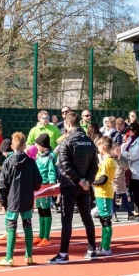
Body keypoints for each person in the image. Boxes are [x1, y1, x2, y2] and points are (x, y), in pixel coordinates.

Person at [50, 112, 99, 264]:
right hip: (83, 186)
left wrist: (79, 180)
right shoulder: (90, 142)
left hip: (70, 185)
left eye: (65, 124)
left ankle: (64, 253)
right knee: (87, 218)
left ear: (69, 124)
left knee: (67, 219)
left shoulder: (67, 141)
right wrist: (87, 181)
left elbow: (65, 165)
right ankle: (92, 249)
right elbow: (94, 165)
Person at [0, 132, 43, 266]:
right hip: (27, 198)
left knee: (11, 226)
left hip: (12, 199)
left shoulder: (7, 162)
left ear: (12, 145)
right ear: (24, 146)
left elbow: (2, 184)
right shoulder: (31, 162)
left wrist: (2, 201)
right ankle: (29, 256)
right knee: (27, 225)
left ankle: (9, 257)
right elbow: (38, 182)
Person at [92, 136, 118, 256]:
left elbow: (103, 179)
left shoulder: (107, 161)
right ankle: (103, 245)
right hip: (102, 193)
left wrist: (91, 182)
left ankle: (106, 247)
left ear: (102, 147)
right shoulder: (109, 160)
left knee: (106, 219)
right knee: (104, 219)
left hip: (104, 192)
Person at [33, 133, 59, 241]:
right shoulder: (39, 156)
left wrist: (52, 187)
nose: (36, 146)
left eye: (37, 144)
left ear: (43, 145)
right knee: (40, 209)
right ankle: (41, 234)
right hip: (38, 187)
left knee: (46, 210)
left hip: (46, 187)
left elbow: (51, 172)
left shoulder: (50, 157)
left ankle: (46, 237)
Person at [119, 124, 139, 221]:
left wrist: (126, 154)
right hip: (129, 168)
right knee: (131, 191)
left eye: (132, 130)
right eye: (129, 130)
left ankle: (138, 211)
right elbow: (121, 150)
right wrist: (127, 153)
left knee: (136, 192)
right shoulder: (130, 139)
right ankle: (135, 209)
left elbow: (134, 155)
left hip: (137, 169)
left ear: (136, 130)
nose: (130, 132)